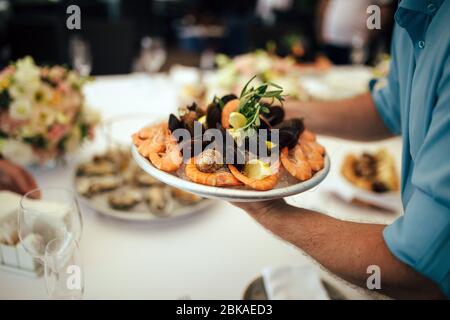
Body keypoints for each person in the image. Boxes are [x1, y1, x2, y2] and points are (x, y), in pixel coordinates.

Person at [234, 0, 450, 299]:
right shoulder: (408, 10)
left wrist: (266, 208)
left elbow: (417, 268)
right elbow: (390, 106)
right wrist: (278, 112)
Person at [316, 0, 395, 64]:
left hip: (357, 43)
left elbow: (383, 8)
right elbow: (325, 3)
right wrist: (320, 29)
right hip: (331, 39)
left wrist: (373, 33)